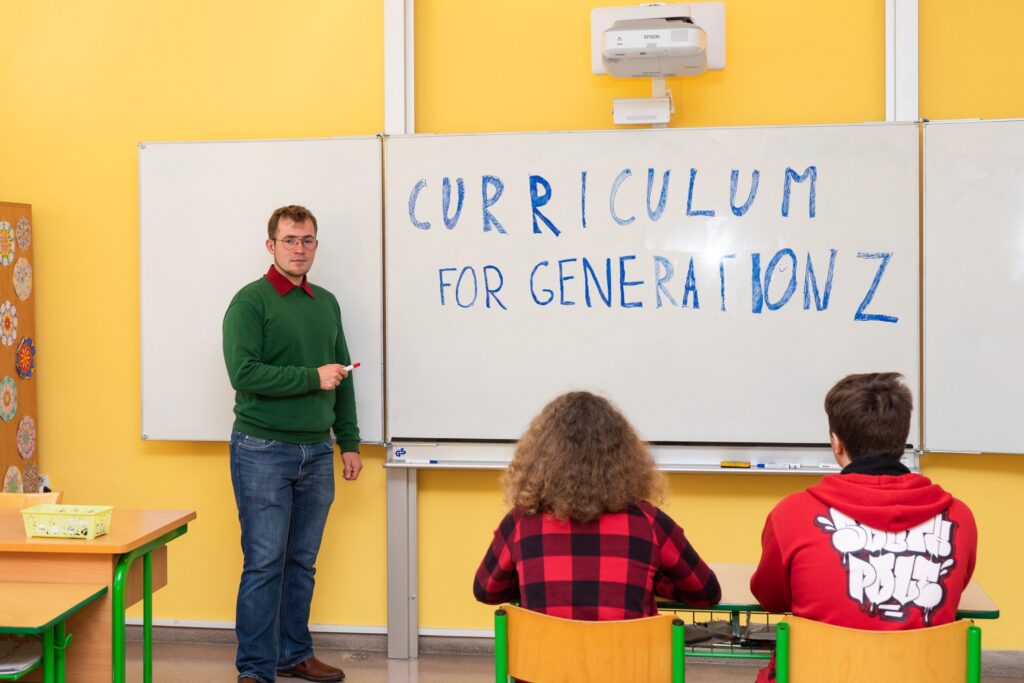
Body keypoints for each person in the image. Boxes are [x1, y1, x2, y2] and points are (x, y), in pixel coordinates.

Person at [750, 372, 978, 682]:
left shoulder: (792, 514)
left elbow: (772, 599)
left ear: (836, 442)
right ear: (901, 439)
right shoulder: (959, 518)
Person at [223, 205, 361, 683]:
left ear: (315, 246)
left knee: (302, 562)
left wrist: (349, 441)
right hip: (261, 449)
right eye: (289, 241)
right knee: (264, 562)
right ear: (271, 246)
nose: (298, 249)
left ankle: (294, 653)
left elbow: (341, 377)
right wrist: (310, 377)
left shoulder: (326, 303)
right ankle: (256, 669)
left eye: (306, 241)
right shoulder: (251, 302)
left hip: (317, 452)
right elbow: (243, 373)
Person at [473, 391, 721, 620]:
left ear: (539, 457)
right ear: (624, 457)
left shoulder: (521, 522)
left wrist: (535, 579)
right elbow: (705, 592)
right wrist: (651, 580)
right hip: (629, 667)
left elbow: (486, 591)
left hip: (543, 668)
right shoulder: (648, 522)